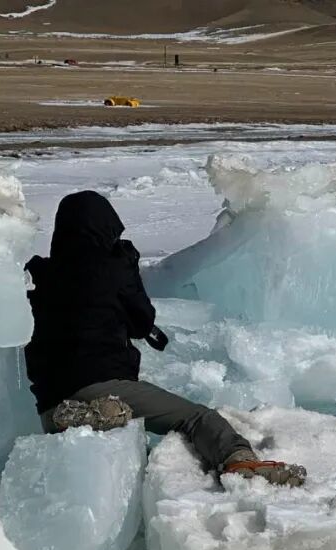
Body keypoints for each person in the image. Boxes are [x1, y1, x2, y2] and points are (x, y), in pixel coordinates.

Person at [24, 191, 305, 487]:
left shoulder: (41, 275)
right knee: (197, 417)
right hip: (101, 382)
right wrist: (127, 265)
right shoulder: (110, 267)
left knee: (119, 431)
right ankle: (239, 460)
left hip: (49, 402)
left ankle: (80, 417)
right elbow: (142, 320)